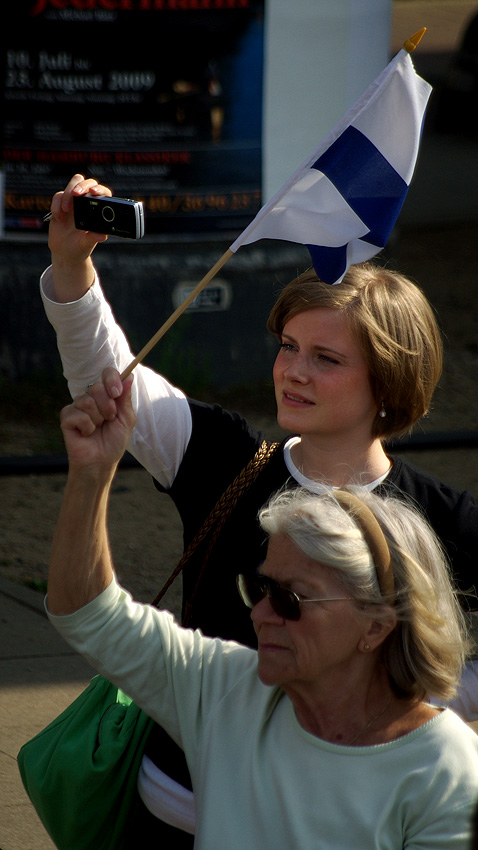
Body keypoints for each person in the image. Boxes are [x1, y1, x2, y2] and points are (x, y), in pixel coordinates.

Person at [41, 174, 478, 840]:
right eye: (287, 346)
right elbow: (110, 381)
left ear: (390, 382)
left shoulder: (444, 521)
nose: (292, 371)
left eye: (326, 358)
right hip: (168, 810)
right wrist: (73, 265)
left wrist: (405, 708)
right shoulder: (227, 457)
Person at [45, 382, 478, 849]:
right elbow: (89, 613)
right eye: (258, 588)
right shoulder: (226, 689)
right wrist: (90, 474)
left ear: (375, 625)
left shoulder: (444, 769)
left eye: (292, 600)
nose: (260, 614)